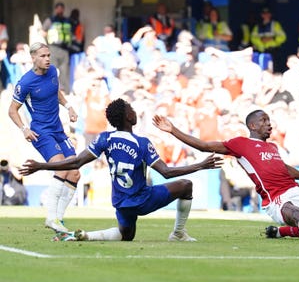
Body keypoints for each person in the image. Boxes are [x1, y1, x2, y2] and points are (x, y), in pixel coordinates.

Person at [19, 98, 222, 242]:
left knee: (127, 235)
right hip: (142, 199)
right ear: (127, 117)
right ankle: (178, 233)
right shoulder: (142, 142)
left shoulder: (104, 139)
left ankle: (86, 236)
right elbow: (166, 172)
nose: (134, 111)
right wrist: (200, 165)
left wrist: (41, 166)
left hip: (120, 202)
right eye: (131, 109)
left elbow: (76, 162)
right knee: (186, 186)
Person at [152, 109, 299, 242]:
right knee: (298, 214)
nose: (269, 124)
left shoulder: (272, 147)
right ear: (252, 125)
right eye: (264, 120)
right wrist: (173, 130)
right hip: (276, 198)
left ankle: (284, 232)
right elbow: (204, 146)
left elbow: (285, 168)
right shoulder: (240, 144)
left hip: (296, 190)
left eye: (269, 120)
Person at [8, 42, 80, 233]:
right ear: (33, 58)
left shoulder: (53, 72)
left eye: (48, 55)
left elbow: (56, 92)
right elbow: (12, 110)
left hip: (58, 130)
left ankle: (59, 220)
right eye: (43, 56)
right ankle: (51, 217)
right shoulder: (25, 82)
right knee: (61, 166)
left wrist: (69, 106)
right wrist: (24, 128)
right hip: (41, 132)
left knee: (74, 172)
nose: (47, 59)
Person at [41, 2, 71, 93]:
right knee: (53, 68)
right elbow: (43, 31)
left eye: (62, 8)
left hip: (64, 49)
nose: (60, 10)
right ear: (56, 9)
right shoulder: (50, 20)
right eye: (58, 8)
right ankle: (52, 88)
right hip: (53, 47)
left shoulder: (67, 20)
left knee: (64, 69)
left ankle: (63, 89)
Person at [250, 7, 287, 73]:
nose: (266, 15)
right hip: (261, 52)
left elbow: (283, 37)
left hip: (273, 52)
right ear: (262, 15)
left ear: (270, 15)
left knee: (273, 70)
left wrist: (272, 38)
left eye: (267, 14)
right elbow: (253, 38)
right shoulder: (257, 26)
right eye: (264, 14)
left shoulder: (275, 25)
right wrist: (261, 40)